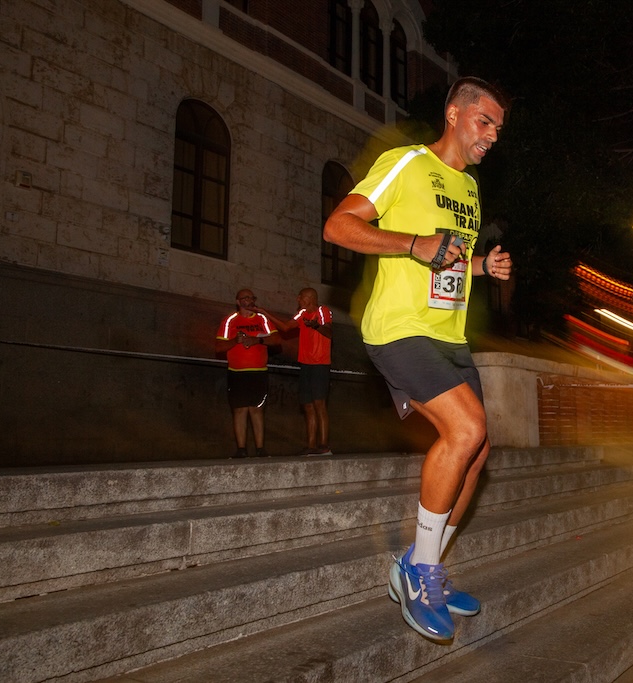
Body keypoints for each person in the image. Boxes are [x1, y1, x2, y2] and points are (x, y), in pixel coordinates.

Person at [322, 76, 513, 642]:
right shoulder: (406, 162)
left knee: (477, 452)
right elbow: (338, 226)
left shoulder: (470, 188)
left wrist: (480, 268)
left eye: (499, 129)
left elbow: (445, 259)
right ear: (454, 114)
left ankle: (421, 561)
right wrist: (411, 242)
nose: (492, 135)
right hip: (399, 328)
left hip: (448, 335)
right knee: (466, 428)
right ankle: (420, 574)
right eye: (484, 121)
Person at [257, 288, 334, 456]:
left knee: (319, 404)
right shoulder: (302, 314)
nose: (298, 300)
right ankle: (311, 445)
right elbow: (286, 327)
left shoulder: (322, 310)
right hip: (305, 364)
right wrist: (264, 312)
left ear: (310, 298)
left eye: (301, 297)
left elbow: (329, 332)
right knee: (308, 405)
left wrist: (316, 326)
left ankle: (323, 445)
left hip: (320, 364)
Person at [215, 289, 280, 458]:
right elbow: (219, 347)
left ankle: (260, 449)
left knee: (256, 410)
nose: (250, 300)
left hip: (258, 372)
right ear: (238, 301)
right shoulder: (230, 320)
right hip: (237, 372)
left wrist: (257, 340)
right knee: (239, 410)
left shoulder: (262, 319)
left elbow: (276, 340)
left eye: (252, 297)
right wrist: (234, 341)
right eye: (246, 298)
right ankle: (241, 449)